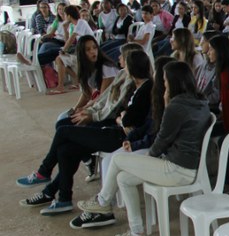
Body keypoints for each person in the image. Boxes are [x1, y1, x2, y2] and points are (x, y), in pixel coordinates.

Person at [76, 61, 210, 236]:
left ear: (173, 82)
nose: (163, 84)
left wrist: (147, 158)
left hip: (176, 169)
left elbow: (161, 141)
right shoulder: (200, 101)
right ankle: (137, 232)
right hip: (186, 166)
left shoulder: (176, 106)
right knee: (123, 178)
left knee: (118, 159)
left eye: (165, 81)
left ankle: (103, 201)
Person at [18, 49, 152, 213]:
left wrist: (118, 117)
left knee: (63, 132)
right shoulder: (137, 86)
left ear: (131, 69)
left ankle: (43, 172)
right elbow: (117, 111)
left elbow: (128, 120)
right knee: (66, 149)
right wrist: (117, 116)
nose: (120, 63)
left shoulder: (145, 89)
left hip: (120, 137)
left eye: (124, 62)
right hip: (116, 129)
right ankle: (62, 198)